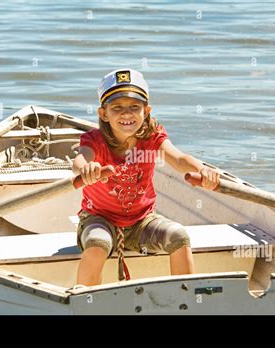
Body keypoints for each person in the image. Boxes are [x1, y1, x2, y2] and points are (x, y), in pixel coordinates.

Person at [73, 69, 220, 286]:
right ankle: (86, 302)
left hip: (142, 222)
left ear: (146, 111)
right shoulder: (95, 140)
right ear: (104, 114)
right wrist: (87, 169)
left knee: (179, 236)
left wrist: (204, 170)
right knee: (98, 243)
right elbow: (79, 162)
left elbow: (179, 159)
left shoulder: (152, 137)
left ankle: (187, 300)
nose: (126, 114)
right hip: (99, 219)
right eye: (117, 108)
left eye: (135, 107)